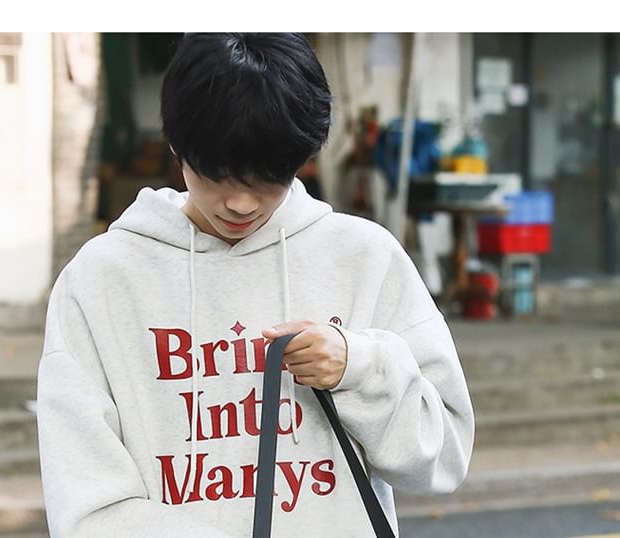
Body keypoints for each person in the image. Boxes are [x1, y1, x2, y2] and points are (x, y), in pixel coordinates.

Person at [36, 33, 475, 538]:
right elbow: (87, 508)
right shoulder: (101, 281)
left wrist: (359, 367)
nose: (242, 204)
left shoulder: (363, 258)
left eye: (270, 177)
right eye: (218, 174)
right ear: (177, 145)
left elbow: (445, 459)